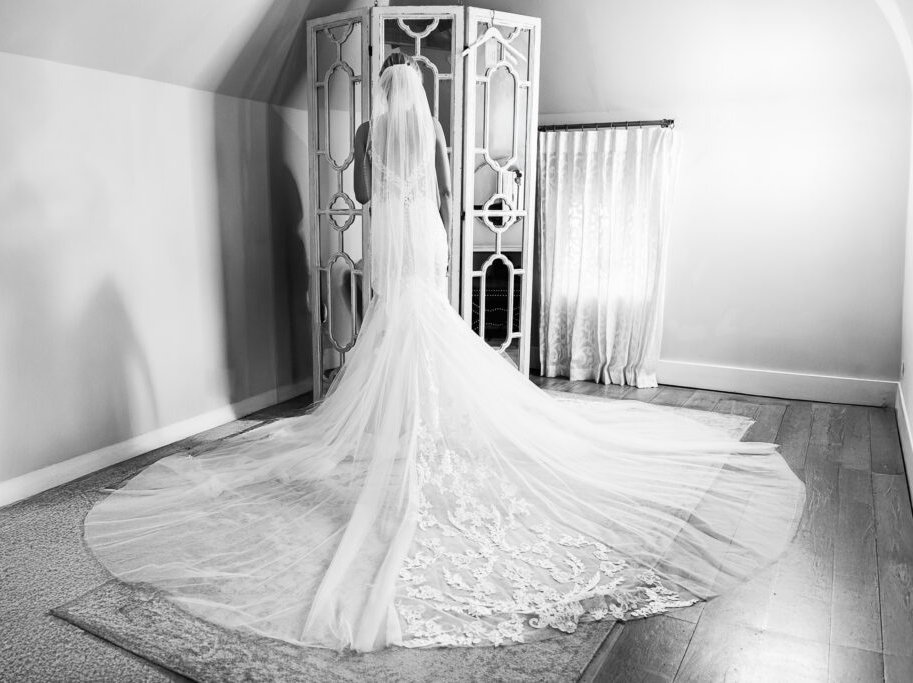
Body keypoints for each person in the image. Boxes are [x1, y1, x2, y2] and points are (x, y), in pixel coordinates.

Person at [84, 52, 805, 652]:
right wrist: (430, 215)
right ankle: (423, 427)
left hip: (389, 232)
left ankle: (406, 430)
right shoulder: (430, 126)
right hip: (425, 231)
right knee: (426, 322)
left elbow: (365, 194)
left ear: (382, 83)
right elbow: (452, 194)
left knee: (394, 328)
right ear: (419, 86)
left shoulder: (371, 128)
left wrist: (376, 172)